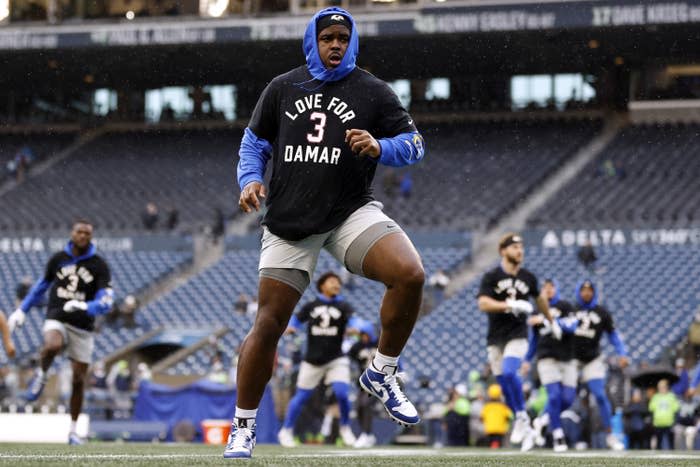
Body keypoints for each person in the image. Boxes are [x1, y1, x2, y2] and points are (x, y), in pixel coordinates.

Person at [224, 7, 426, 459]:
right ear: (312, 41)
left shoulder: (374, 91)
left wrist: (381, 146)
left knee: (410, 274)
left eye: (342, 37)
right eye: (327, 37)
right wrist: (249, 180)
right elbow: (253, 143)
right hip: (290, 220)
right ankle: (243, 426)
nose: (335, 44)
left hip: (348, 211)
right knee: (268, 325)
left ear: (352, 42)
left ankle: (382, 371)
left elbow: (414, 144)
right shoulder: (283, 86)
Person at [7, 220, 113, 444]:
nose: (82, 236)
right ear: (71, 233)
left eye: (87, 232)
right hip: (56, 316)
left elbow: (106, 300)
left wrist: (86, 306)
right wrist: (21, 311)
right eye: (79, 231)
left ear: (91, 236)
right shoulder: (57, 259)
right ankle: (42, 375)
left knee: (78, 379)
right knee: (52, 345)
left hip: (83, 325)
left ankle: (73, 431)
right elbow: (40, 286)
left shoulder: (99, 265)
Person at [477, 233, 558, 452]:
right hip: (495, 336)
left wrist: (552, 322)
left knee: (510, 372)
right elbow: (483, 303)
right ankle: (525, 424)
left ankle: (521, 417)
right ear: (503, 251)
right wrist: (509, 306)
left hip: (518, 333)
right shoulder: (492, 276)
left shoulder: (528, 277)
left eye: (521, 246)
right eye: (514, 247)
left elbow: (540, 300)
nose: (519, 251)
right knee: (504, 383)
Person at [277, 272, 358, 448]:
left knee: (342, 394)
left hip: (336, 358)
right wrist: (291, 327)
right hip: (312, 360)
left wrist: (355, 328)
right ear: (322, 285)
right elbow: (296, 320)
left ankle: (345, 428)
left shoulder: (344, 306)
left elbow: (354, 321)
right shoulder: (311, 305)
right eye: (332, 281)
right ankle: (286, 430)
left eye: (338, 282)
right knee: (301, 396)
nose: (336, 284)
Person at [571, 279, 628, 451]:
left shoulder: (602, 312)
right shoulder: (571, 310)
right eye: (583, 290)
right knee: (565, 397)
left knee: (600, 396)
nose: (586, 293)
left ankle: (610, 434)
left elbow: (613, 335)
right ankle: (552, 431)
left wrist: (622, 353)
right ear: (578, 291)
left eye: (590, 290)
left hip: (593, 359)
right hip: (572, 358)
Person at [525, 278, 578, 452]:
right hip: (546, 357)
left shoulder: (565, 306)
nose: (548, 290)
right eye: (545, 288)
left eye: (551, 287)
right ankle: (557, 435)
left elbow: (572, 326)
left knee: (568, 399)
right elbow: (534, 339)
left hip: (567, 358)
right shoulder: (537, 309)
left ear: (556, 289)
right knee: (554, 396)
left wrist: (553, 322)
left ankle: (542, 420)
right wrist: (526, 359)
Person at [347, 318, 379, 448]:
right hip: (363, 383)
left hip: (380, 381)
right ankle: (368, 435)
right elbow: (346, 357)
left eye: (365, 335)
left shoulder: (380, 343)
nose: (363, 338)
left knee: (365, 404)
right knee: (359, 406)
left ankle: (365, 434)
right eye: (361, 335)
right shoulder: (357, 346)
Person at [648, 379, 679, 450]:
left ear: (667, 387)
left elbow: (676, 409)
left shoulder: (671, 396)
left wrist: (674, 421)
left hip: (669, 423)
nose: (662, 388)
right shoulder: (655, 397)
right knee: (659, 442)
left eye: (663, 387)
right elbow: (651, 409)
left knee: (671, 443)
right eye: (660, 387)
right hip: (658, 423)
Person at [480, 383, 512, 449]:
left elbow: (481, 418)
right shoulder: (503, 406)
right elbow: (509, 417)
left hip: (489, 429)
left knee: (489, 446)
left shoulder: (487, 406)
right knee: (498, 445)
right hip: (500, 430)